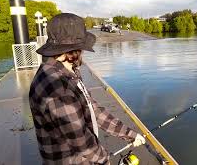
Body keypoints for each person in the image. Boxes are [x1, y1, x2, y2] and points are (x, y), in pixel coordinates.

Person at [29, 13, 145, 165]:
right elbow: (81, 142)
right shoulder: (57, 88)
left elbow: (91, 108)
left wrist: (128, 134)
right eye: (82, 48)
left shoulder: (67, 71)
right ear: (74, 50)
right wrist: (105, 159)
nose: (83, 52)